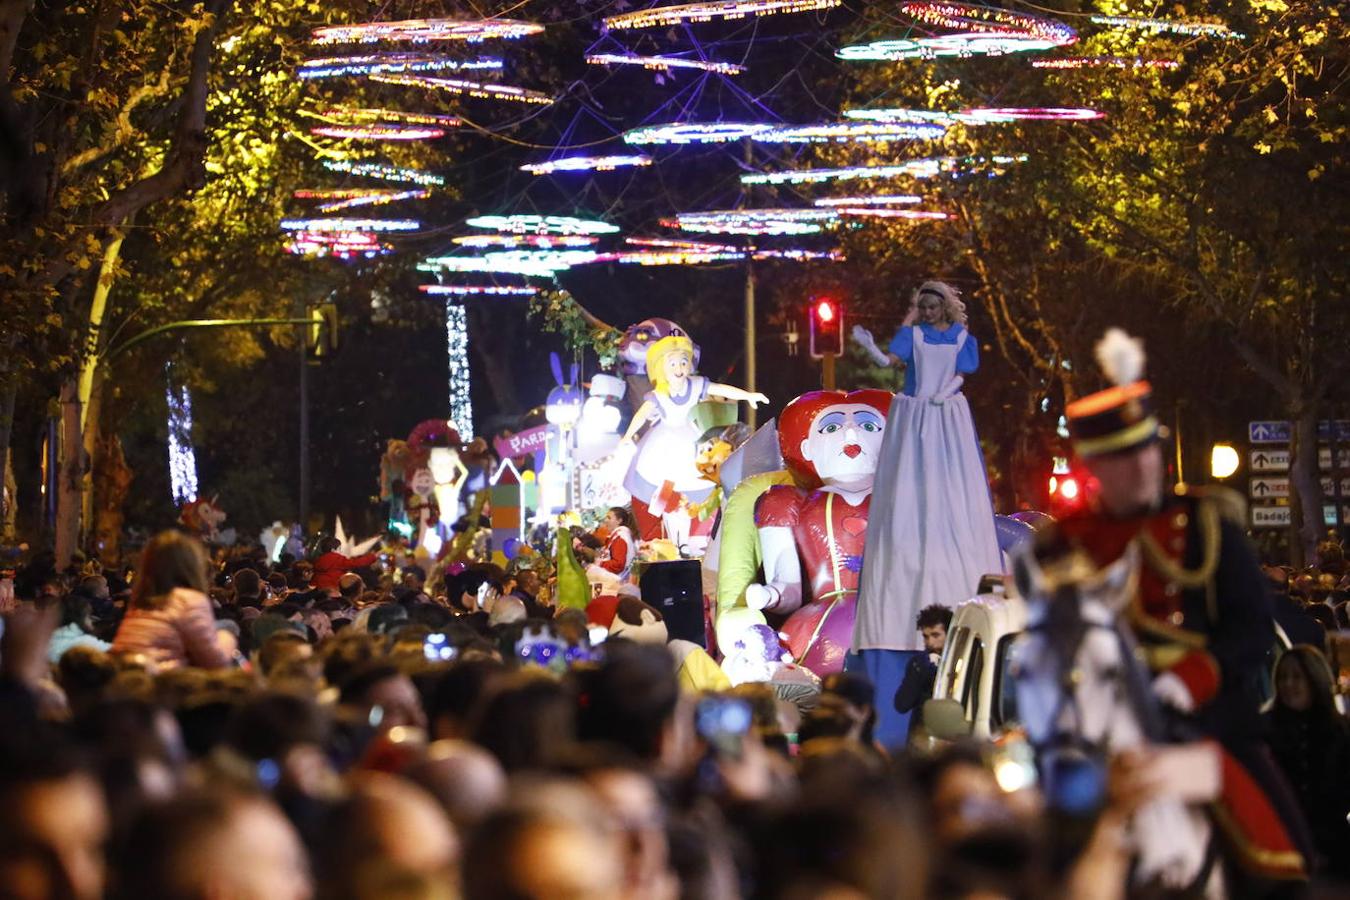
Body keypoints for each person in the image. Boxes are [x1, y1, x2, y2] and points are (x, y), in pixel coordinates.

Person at [1018, 328, 1311, 881]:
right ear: (1094, 465)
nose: (1147, 466)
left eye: (1149, 449)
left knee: (1282, 852)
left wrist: (1187, 682)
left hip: (1200, 716)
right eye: (1126, 458)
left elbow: (1252, 627)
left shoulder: (1207, 523)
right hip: (1091, 722)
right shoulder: (1060, 544)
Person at [850, 282, 1001, 745]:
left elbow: (963, 371)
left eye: (936, 303)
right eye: (924, 303)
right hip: (916, 418)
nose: (930, 309)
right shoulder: (911, 337)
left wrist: (949, 389)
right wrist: (872, 346)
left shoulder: (960, 339)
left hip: (945, 417)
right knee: (910, 497)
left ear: (947, 306)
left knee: (951, 492)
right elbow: (891, 365)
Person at [743, 390, 892, 677]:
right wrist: (772, 595)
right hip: (823, 618)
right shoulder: (789, 502)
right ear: (807, 447)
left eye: (868, 426)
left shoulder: (904, 497)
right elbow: (789, 587)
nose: (850, 433)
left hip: (893, 612)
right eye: (832, 427)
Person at [621, 334, 768, 541]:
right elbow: (642, 415)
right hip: (665, 446)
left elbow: (719, 389)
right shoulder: (660, 395)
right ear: (662, 367)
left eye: (683, 362)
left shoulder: (696, 385)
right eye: (673, 363)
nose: (679, 368)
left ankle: (695, 538)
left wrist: (748, 396)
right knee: (665, 490)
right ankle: (673, 538)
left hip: (693, 442)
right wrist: (627, 436)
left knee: (699, 487)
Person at [1264, 645, 1350, 880]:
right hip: (1281, 845)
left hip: (1333, 850)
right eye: (1283, 677)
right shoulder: (1266, 730)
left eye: (1297, 677)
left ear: (1315, 680)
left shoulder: (1339, 731)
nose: (1288, 684)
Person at [111, 530, 230, 670]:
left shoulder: (139, 602)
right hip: (161, 685)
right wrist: (227, 636)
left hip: (125, 682)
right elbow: (215, 661)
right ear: (192, 566)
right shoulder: (189, 600)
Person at [893, 605, 953, 728]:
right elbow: (902, 704)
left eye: (936, 635)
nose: (930, 642)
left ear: (950, 633)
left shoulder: (962, 660)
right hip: (922, 735)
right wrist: (920, 672)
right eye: (926, 637)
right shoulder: (918, 664)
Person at [312, 536, 379, 592]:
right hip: (334, 592)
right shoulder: (337, 559)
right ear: (333, 550)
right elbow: (356, 563)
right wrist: (373, 557)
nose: (341, 551)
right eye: (339, 549)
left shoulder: (318, 561)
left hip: (320, 592)